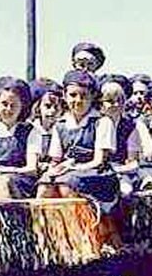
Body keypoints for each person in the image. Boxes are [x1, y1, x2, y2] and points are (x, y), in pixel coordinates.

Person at [38, 70, 118, 208]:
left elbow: (99, 162)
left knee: (67, 184)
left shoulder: (102, 122)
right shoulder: (60, 125)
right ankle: (46, 228)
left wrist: (71, 167)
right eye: (73, 95)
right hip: (67, 171)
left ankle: (75, 227)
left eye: (84, 96)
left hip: (97, 175)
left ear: (92, 96)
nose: (78, 101)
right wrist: (52, 171)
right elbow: (56, 160)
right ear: (64, 96)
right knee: (44, 186)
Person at [0, 77, 40, 200]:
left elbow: (31, 169)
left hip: (21, 181)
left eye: (13, 105)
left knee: (0, 183)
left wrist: (2, 171)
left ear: (22, 105)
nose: (8, 109)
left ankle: (12, 219)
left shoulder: (30, 131)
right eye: (4, 104)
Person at [99, 78, 142, 195]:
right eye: (110, 101)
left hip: (120, 172)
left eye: (120, 100)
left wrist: (116, 170)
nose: (116, 105)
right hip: (95, 170)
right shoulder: (94, 124)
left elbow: (133, 162)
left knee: (125, 190)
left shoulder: (130, 127)